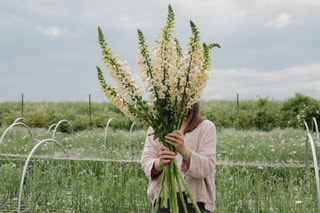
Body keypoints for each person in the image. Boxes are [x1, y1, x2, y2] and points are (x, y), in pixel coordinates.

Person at [141, 102, 216, 212]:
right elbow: (146, 161)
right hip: (163, 201)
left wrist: (184, 151)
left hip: (195, 202)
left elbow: (207, 167)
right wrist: (159, 163)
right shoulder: (156, 128)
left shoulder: (205, 127)